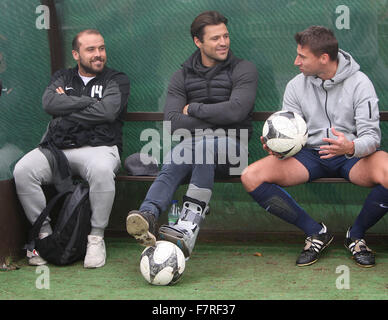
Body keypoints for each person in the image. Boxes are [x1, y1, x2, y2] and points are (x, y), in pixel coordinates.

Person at [241, 25, 387, 268]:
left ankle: (357, 235)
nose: (296, 61)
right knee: (251, 176)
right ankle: (316, 232)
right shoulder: (295, 85)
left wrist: (350, 146)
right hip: (310, 155)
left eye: (302, 56)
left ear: (324, 58)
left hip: (353, 156)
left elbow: (372, 137)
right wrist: (279, 146)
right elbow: (291, 130)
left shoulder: (360, 83)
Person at [126, 11, 258, 259]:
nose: (223, 42)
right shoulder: (181, 76)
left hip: (234, 152)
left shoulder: (244, 69)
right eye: (215, 38)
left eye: (226, 36)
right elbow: (174, 123)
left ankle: (188, 226)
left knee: (197, 148)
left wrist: (195, 109)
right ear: (198, 42)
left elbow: (237, 111)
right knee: (180, 156)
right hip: (194, 150)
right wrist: (219, 117)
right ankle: (148, 215)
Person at [13, 29, 130, 268]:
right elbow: (49, 102)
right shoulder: (62, 77)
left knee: (101, 170)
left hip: (100, 147)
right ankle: (44, 237)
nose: (98, 55)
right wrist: (89, 102)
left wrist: (66, 108)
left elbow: (108, 112)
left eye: (101, 48)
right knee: (23, 170)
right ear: (76, 54)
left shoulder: (116, 79)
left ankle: (96, 238)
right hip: (59, 148)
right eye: (91, 50)